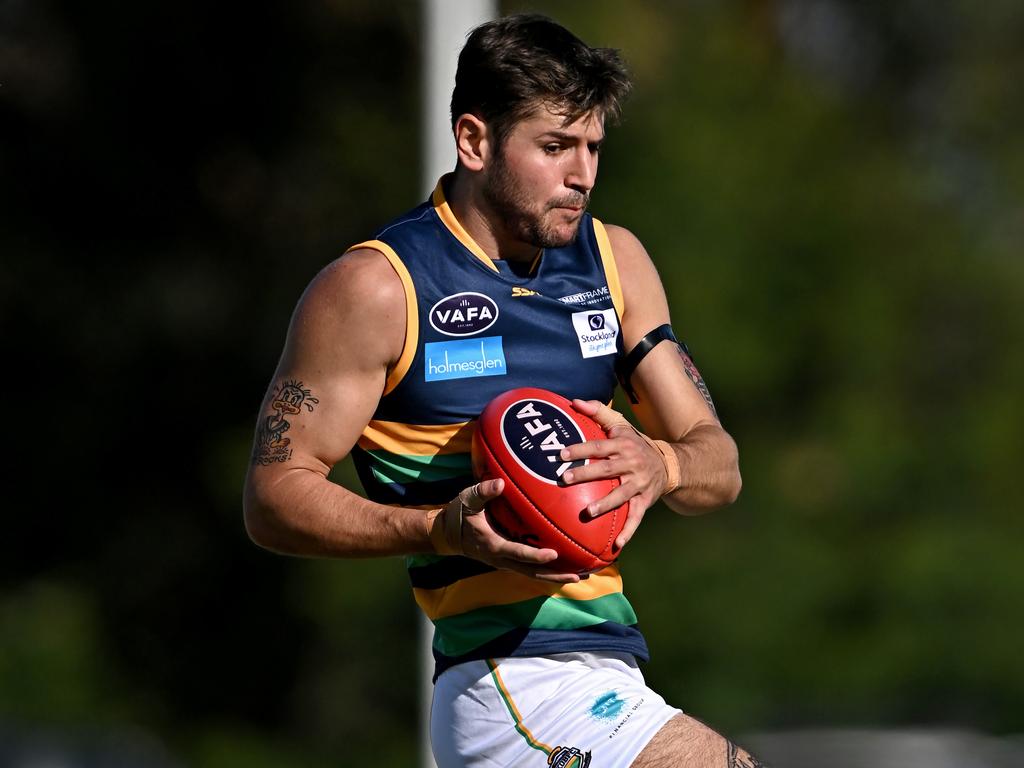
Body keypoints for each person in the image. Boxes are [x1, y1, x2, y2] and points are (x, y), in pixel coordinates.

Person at [244, 13, 766, 768]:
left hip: (609, 666)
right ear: (474, 142)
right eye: (554, 147)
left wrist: (664, 466)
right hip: (511, 678)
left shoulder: (615, 262)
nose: (581, 174)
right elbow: (272, 495)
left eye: (592, 148)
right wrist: (436, 529)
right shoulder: (377, 288)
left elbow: (720, 465)